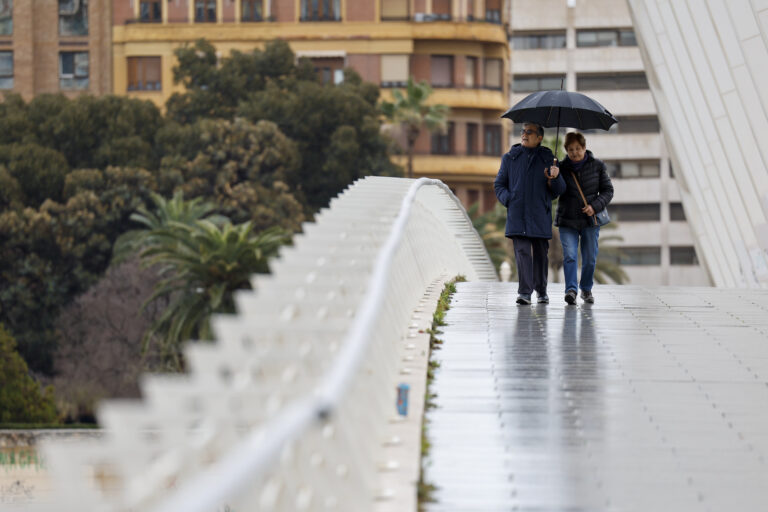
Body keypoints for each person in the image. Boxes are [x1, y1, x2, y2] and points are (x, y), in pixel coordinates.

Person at [494, 122, 566, 305]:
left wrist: (556, 177)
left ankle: (541, 291)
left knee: (541, 254)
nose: (524, 134)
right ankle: (524, 293)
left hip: (539, 213)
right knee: (522, 252)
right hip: (517, 213)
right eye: (523, 131)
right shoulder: (509, 158)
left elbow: (558, 191)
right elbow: (499, 184)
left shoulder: (549, 158)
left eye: (529, 132)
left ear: (539, 137)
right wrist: (509, 199)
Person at [555, 132, 614, 305]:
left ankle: (586, 289)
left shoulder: (597, 166)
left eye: (577, 149)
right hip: (567, 220)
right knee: (570, 256)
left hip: (590, 221)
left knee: (589, 259)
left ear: (584, 148)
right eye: (570, 149)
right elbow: (555, 192)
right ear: (566, 150)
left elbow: (608, 191)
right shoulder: (561, 167)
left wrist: (594, 206)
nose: (574, 152)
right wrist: (553, 176)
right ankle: (571, 290)